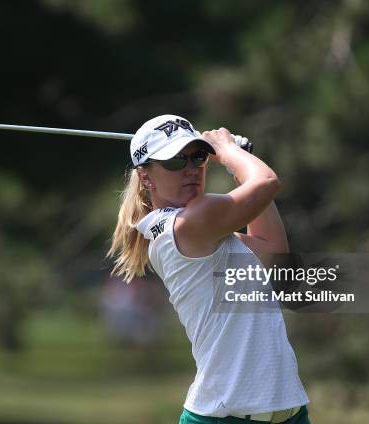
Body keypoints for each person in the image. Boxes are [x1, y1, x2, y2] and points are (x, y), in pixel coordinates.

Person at [108, 115, 310, 423]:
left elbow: (272, 252)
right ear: (146, 176)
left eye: (198, 156)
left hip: (288, 413)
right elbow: (267, 183)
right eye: (175, 161)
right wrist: (230, 152)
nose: (190, 169)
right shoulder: (189, 223)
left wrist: (242, 162)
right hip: (223, 417)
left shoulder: (199, 226)